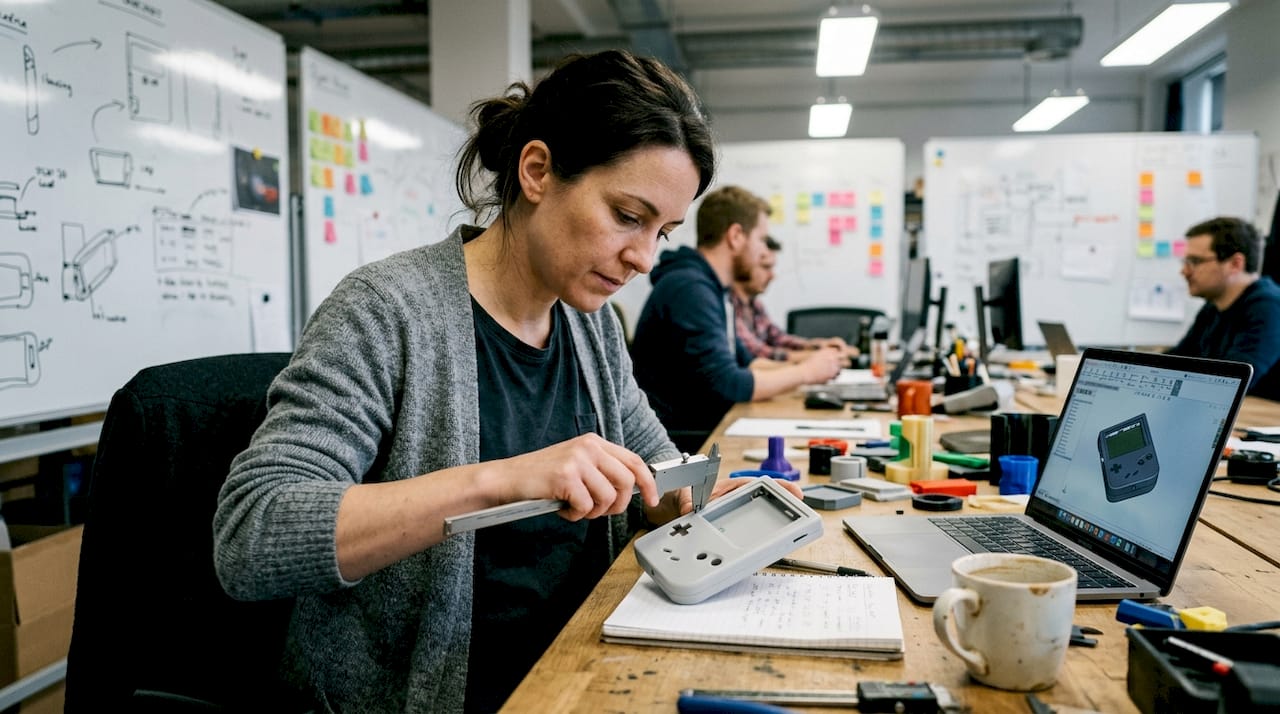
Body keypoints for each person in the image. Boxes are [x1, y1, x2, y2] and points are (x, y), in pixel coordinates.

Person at [213, 50, 783, 713]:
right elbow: (251, 535)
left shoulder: (590, 324)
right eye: (628, 216)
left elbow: (654, 469)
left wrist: (692, 495)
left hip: (577, 670)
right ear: (537, 170)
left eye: (662, 231)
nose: (642, 257)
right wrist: (500, 479)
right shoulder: (386, 310)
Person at [630, 185, 844, 452]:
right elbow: (729, 385)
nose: (763, 251)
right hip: (684, 441)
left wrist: (810, 368)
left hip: (708, 428)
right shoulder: (690, 288)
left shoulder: (713, 287)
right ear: (736, 236)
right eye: (761, 239)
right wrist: (806, 372)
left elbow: (746, 361)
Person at [1167, 216, 1280, 400]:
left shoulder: (1269, 306)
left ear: (1235, 264)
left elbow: (1229, 384)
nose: (1184, 271)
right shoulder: (1213, 306)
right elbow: (1177, 361)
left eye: (1195, 261)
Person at [732, 235, 856, 362]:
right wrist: (822, 356)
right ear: (743, 262)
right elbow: (754, 354)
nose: (772, 276)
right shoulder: (728, 305)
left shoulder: (755, 305)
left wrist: (816, 346)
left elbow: (778, 339)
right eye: (766, 267)